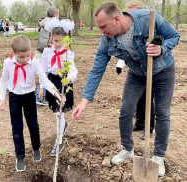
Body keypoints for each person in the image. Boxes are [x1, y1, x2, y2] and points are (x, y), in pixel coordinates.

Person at [72, 2, 179, 177]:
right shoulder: (106, 41)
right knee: (126, 110)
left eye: (103, 26)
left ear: (116, 19)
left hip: (163, 71)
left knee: (162, 113)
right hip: (136, 74)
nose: (100, 32)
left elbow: (174, 36)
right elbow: (97, 70)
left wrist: (161, 48)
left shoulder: (147, 19)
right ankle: (127, 149)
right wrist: (84, 102)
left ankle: (158, 156)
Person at [0, 35, 61, 171]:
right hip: (14, 97)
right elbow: (3, 81)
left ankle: (36, 148)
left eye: (27, 55)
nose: (25, 59)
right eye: (21, 57)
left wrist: (56, 92)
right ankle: (20, 156)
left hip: (29, 97)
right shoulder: (8, 63)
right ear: (13, 53)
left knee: (33, 125)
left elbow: (44, 80)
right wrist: (2, 98)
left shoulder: (34, 63)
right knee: (17, 128)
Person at [115, 0, 155, 141]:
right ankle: (138, 124)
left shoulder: (150, 27)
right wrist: (120, 64)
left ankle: (148, 128)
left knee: (148, 100)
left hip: (152, 71)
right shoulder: (127, 31)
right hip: (136, 72)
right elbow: (127, 52)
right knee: (137, 99)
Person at [40, 18, 77, 156]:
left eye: (61, 41)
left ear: (66, 40)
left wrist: (69, 78)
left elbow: (73, 71)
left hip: (63, 83)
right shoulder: (47, 52)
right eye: (56, 41)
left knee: (59, 112)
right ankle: (63, 126)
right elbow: (43, 71)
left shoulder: (68, 53)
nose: (58, 44)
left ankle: (59, 141)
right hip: (51, 83)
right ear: (51, 39)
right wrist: (43, 88)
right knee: (56, 111)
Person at [34, 6, 59, 106]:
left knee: (43, 72)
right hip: (48, 51)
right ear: (54, 15)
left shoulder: (42, 22)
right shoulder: (53, 24)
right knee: (46, 73)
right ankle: (39, 97)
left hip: (40, 51)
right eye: (58, 15)